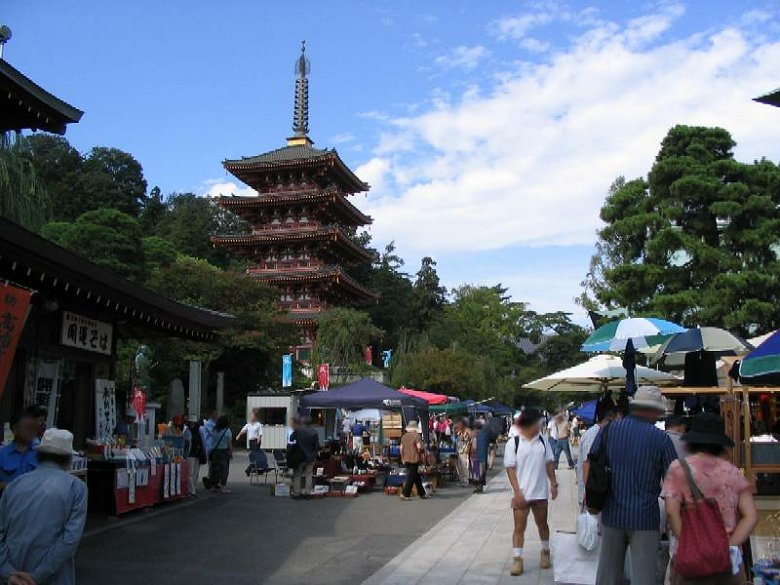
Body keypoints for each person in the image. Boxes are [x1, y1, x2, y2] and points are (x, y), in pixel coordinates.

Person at [588, 386, 677, 585]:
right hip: (645, 517)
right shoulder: (661, 439)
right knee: (643, 577)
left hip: (612, 512)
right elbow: (674, 480)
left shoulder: (608, 430)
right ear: (653, 411)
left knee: (607, 576)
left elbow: (593, 462)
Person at [662, 413, 757, 585]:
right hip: (726, 563)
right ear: (720, 443)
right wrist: (729, 546)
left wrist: (690, 543)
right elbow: (750, 516)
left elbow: (671, 511)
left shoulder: (678, 469)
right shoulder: (732, 471)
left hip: (689, 562)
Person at [0, 429, 87, 585]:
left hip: (13, 577)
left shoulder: (14, 485)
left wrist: (8, 573)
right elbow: (69, 540)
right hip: (54, 577)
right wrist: (36, 576)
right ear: (68, 459)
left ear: (38, 455)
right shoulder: (76, 487)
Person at [504, 408, 557, 577]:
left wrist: (554, 484)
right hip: (522, 494)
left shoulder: (543, 441)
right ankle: (517, 559)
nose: (540, 426)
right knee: (519, 527)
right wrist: (517, 491)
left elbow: (549, 464)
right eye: (538, 423)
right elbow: (510, 468)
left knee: (543, 525)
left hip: (540, 492)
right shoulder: (514, 443)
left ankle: (545, 552)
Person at [577, 406, 618, 505]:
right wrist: (588, 492)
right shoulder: (594, 435)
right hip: (592, 493)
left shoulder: (599, 433)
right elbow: (588, 463)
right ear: (607, 420)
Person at [0, 413, 38, 490]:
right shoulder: (2, 454)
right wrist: (11, 487)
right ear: (15, 429)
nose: (31, 431)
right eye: (27, 427)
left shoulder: (40, 453)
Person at [289, 415, 320, 498]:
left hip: (299, 456)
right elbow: (317, 446)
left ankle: (297, 493)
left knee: (297, 475)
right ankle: (307, 493)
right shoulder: (314, 432)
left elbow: (291, 438)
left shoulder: (298, 430)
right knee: (309, 475)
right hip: (310, 457)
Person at [400, 420, 428, 501]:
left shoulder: (404, 436)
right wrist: (422, 450)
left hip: (406, 458)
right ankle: (405, 494)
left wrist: (402, 458)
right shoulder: (416, 436)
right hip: (414, 458)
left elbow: (401, 448)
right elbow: (419, 447)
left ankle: (422, 493)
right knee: (411, 477)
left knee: (416, 476)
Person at [207, 415, 232, 493]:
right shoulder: (227, 431)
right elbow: (229, 444)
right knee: (224, 469)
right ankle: (223, 487)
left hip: (214, 451)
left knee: (214, 469)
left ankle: (213, 486)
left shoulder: (214, 430)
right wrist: (230, 452)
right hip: (224, 451)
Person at [236, 409, 264, 476]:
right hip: (251, 442)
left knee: (255, 456)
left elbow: (260, 433)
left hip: (256, 441)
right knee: (254, 456)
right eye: (251, 416)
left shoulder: (258, 424)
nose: (251, 418)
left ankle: (253, 469)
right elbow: (243, 430)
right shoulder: (248, 425)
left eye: (253, 416)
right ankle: (252, 469)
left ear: (255, 417)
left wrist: (259, 440)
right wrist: (238, 435)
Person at [185, 415, 207, 497]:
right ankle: (192, 490)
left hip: (197, 453)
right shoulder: (188, 430)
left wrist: (204, 451)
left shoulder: (198, 430)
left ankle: (193, 488)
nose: (192, 423)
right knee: (191, 472)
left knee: (196, 472)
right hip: (191, 453)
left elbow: (203, 441)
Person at [470, 419, 490, 493]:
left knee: (475, 472)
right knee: (481, 472)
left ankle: (477, 487)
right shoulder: (485, 434)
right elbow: (487, 444)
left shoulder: (475, 435)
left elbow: (472, 446)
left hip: (475, 456)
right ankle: (480, 487)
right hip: (483, 455)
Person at [455, 417, 472, 487]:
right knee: (460, 466)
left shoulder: (467, 431)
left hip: (465, 451)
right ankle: (461, 480)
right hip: (459, 451)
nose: (457, 426)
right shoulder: (460, 432)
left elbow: (470, 440)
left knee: (464, 466)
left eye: (459, 425)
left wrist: (465, 438)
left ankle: (465, 481)